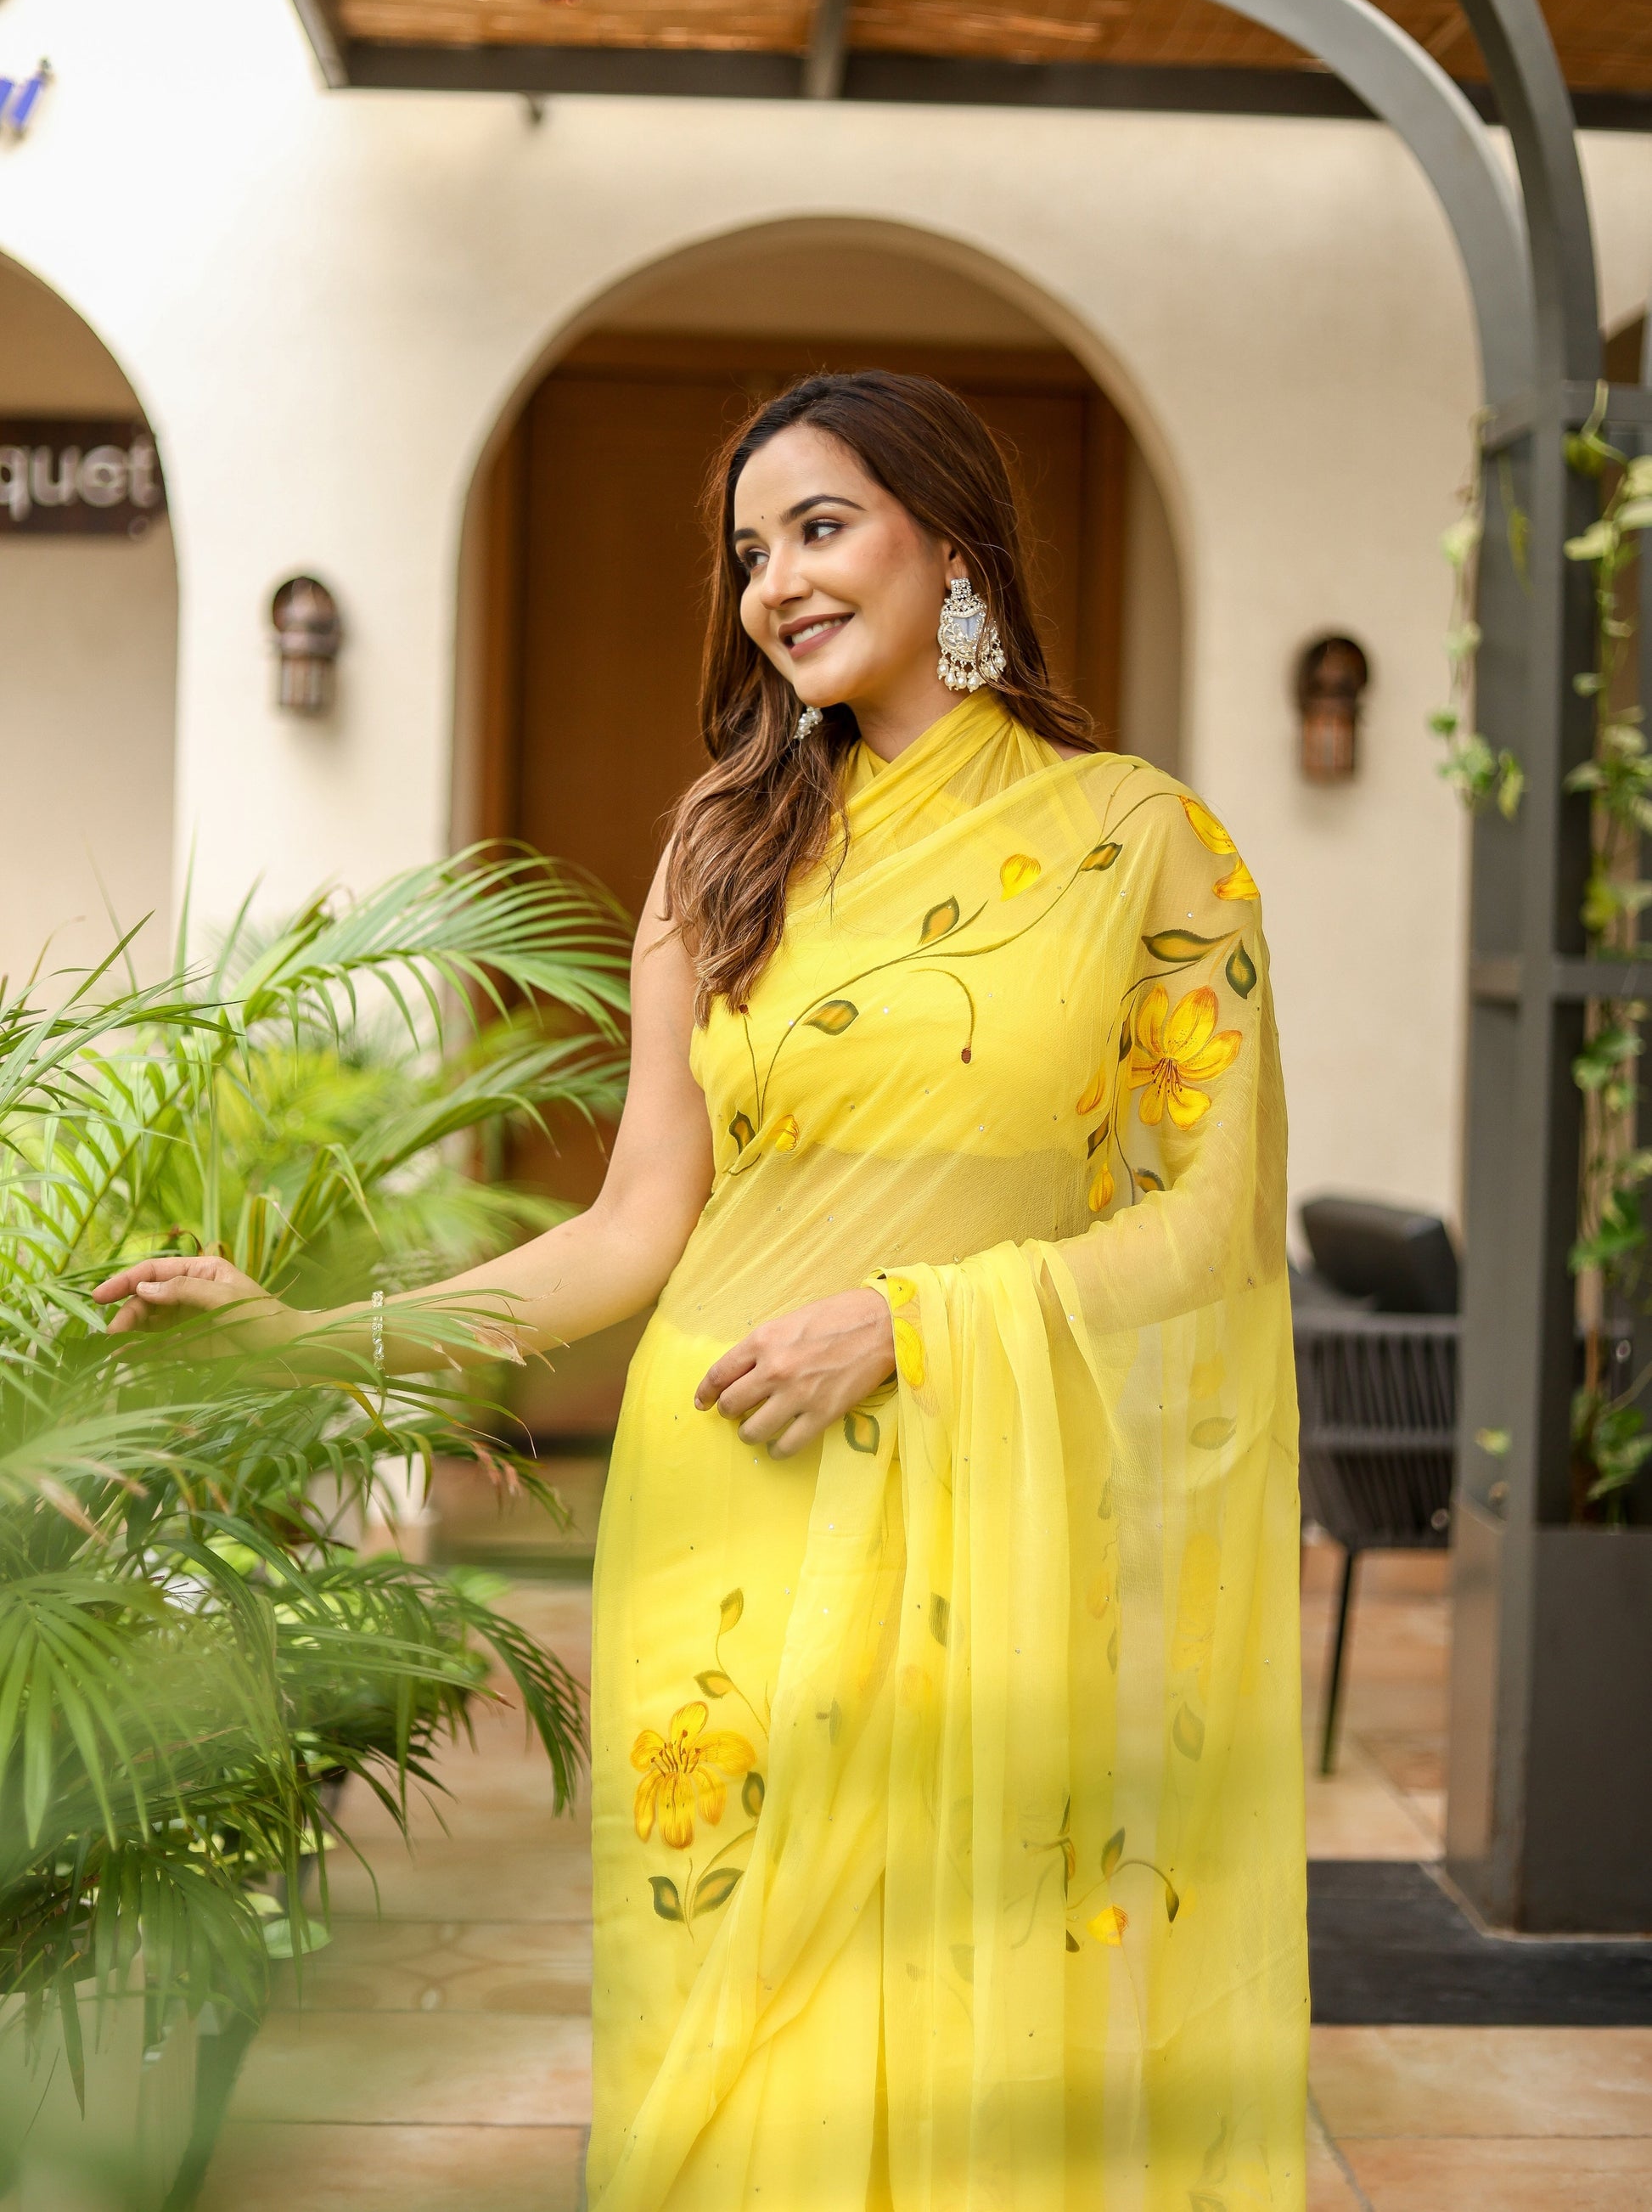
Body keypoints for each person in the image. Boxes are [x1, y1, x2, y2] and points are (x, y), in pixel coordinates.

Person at [98, 372, 1306, 2210]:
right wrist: (311, 1335)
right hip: (722, 1493)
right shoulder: (725, 845)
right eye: (750, 552)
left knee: (973, 1974)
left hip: (982, 1505)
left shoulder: (1140, 843)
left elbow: (1207, 1224)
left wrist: (907, 1322)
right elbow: (629, 1227)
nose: (773, 585)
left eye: (819, 528)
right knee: (732, 2010)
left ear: (951, 543)